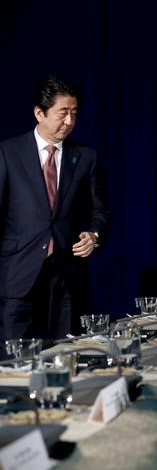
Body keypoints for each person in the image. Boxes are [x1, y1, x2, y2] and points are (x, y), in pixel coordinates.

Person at [0, 75, 111, 348]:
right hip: (18, 276)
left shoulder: (85, 157)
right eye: (63, 113)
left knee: (66, 356)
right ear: (40, 112)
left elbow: (101, 211)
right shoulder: (8, 152)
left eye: (74, 113)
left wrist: (94, 235)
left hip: (66, 279)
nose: (69, 122)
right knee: (14, 363)